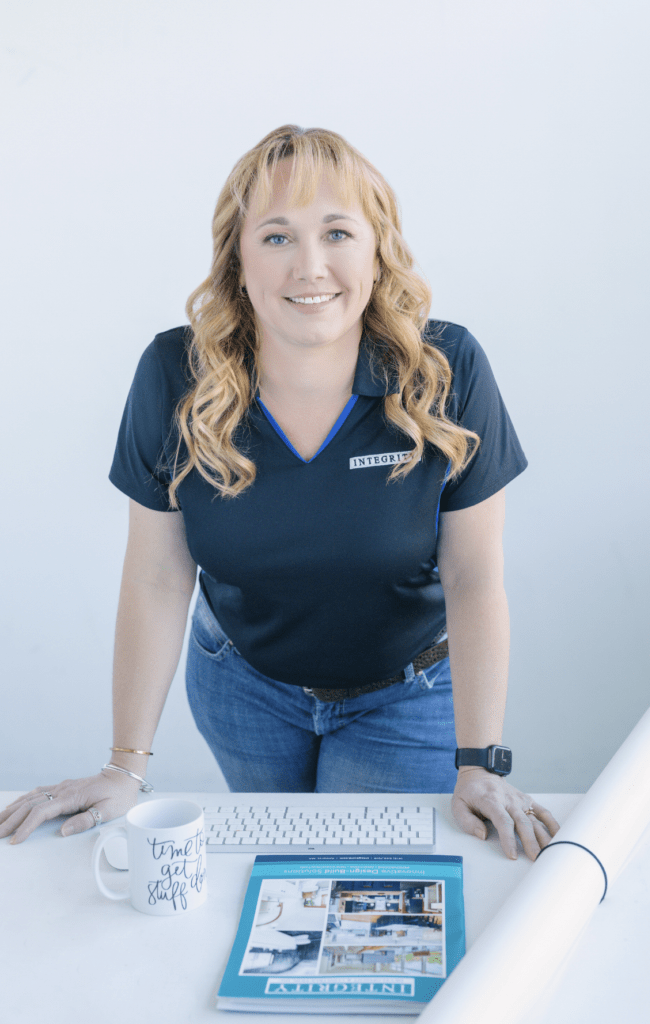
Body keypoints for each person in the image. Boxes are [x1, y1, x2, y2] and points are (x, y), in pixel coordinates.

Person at [1, 125, 559, 859]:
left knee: (346, 887)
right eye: (276, 237)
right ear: (237, 256)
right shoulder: (175, 374)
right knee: (274, 871)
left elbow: (474, 575)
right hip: (243, 688)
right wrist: (123, 767)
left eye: (336, 232)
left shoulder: (446, 370)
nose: (310, 266)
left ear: (377, 248)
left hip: (406, 692)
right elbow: (159, 576)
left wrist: (479, 762)